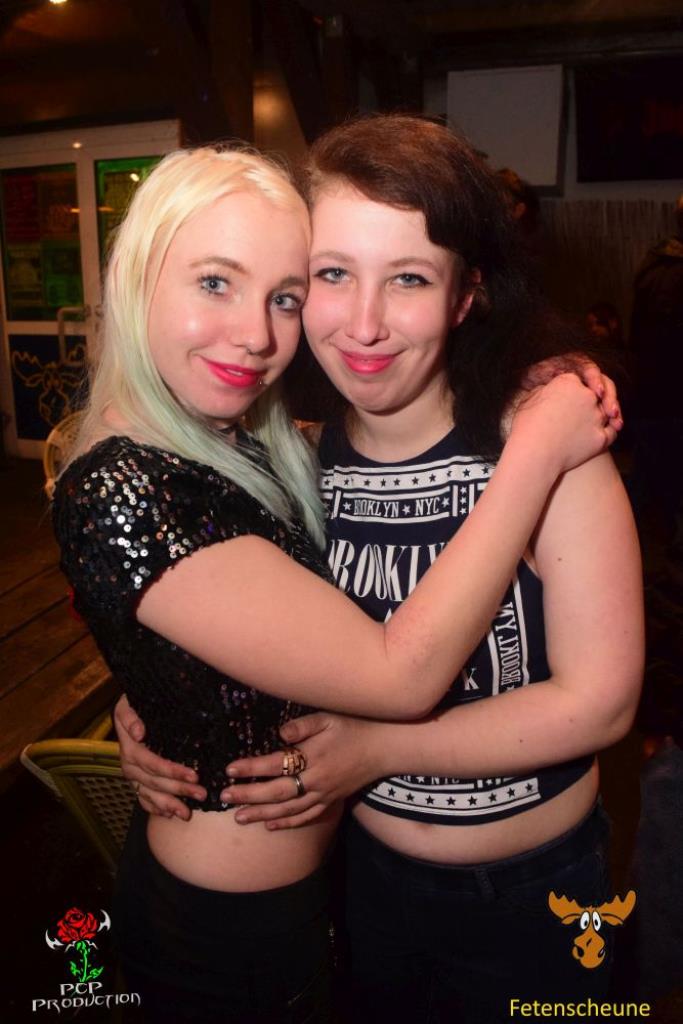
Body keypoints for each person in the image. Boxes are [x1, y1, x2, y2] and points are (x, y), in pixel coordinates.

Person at [52, 141, 618, 1024]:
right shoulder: (303, 459)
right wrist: (162, 694)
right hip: (355, 885)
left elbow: (602, 704)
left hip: (526, 896)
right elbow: (318, 648)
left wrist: (365, 745)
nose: (362, 321)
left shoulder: (531, 445)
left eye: (409, 278)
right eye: (329, 275)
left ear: (464, 295)